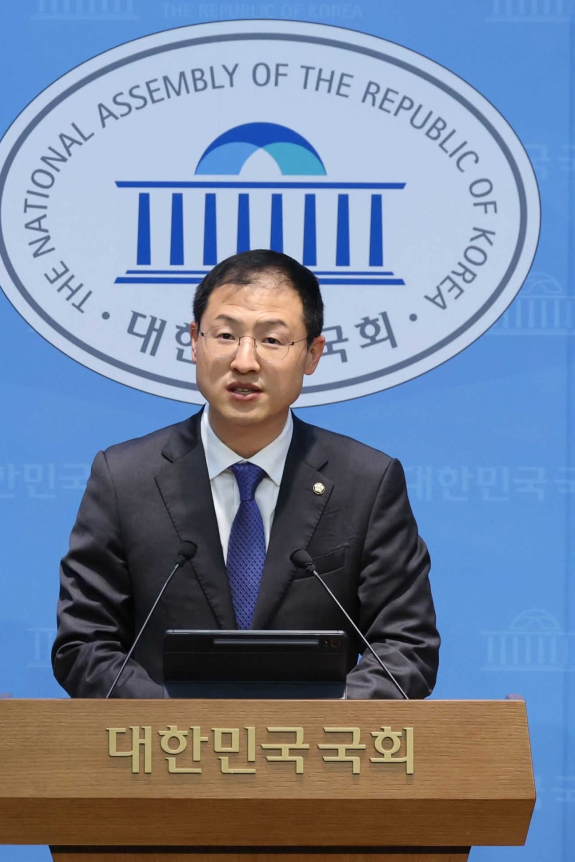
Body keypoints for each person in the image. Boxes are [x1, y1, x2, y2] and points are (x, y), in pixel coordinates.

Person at [52, 249, 439, 698]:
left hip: (315, 741)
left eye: (272, 340)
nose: (244, 361)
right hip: (164, 740)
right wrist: (179, 722)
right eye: (225, 335)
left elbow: (405, 647)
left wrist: (308, 724)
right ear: (194, 341)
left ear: (312, 354)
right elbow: (84, 644)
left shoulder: (366, 483)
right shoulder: (123, 479)